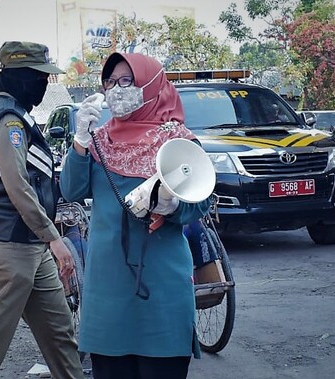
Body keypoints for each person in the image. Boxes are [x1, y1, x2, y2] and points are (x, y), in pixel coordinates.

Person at [59, 53, 212, 379]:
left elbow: (201, 202)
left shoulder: (177, 140)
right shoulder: (99, 140)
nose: (116, 89)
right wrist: (80, 142)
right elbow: (71, 190)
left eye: (125, 81)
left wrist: (173, 208)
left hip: (162, 286)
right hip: (107, 287)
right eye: (110, 82)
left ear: (151, 85)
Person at [0, 41, 84, 379]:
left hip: (30, 247)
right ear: (20, 77)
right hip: (9, 247)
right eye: (39, 77)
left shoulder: (20, 117)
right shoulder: (8, 121)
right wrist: (54, 238)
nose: (44, 84)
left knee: (60, 335)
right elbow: (17, 187)